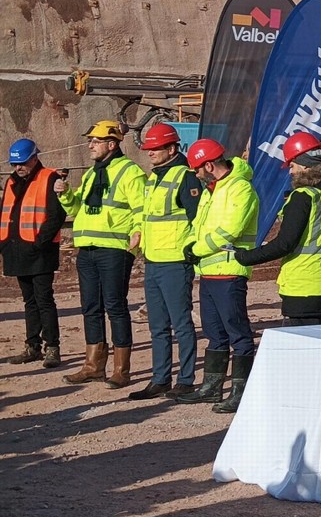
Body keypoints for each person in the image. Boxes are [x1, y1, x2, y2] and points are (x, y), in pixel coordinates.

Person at [55, 120, 145, 388]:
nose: (90, 145)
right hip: (89, 249)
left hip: (115, 250)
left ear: (112, 144)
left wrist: (137, 235)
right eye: (90, 140)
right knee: (91, 307)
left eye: (95, 141)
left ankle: (121, 369)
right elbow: (77, 208)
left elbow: (141, 208)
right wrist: (65, 194)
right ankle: (93, 366)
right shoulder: (92, 174)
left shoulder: (130, 172)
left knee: (115, 307)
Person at [235, 131, 321, 327]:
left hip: (303, 285)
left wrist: (245, 257)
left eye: (292, 165)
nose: (290, 171)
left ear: (304, 164)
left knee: (301, 351)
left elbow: (285, 244)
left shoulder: (304, 196)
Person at [177, 139, 258, 414]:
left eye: (198, 170)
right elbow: (198, 226)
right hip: (209, 271)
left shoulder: (240, 189)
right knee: (214, 333)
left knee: (238, 332)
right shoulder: (212, 190)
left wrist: (196, 249)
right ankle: (211, 387)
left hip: (229, 271)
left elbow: (229, 230)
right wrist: (189, 246)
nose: (197, 176)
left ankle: (240, 391)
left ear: (209, 165)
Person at [128, 123, 202, 401]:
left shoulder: (185, 177)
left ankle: (185, 379)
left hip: (175, 262)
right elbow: (148, 218)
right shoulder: (154, 178)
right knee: (157, 326)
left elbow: (197, 219)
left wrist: (190, 252)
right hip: (154, 261)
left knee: (181, 323)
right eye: (148, 149)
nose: (150, 154)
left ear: (172, 148)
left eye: (155, 149)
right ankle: (160, 379)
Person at [3, 139, 68, 369]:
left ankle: (53, 347)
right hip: (17, 250)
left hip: (40, 252)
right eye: (15, 164)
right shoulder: (11, 182)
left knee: (44, 300)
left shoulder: (49, 178)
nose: (18, 168)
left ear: (34, 158)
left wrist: (39, 243)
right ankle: (32, 346)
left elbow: (56, 216)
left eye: (22, 163)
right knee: (29, 301)